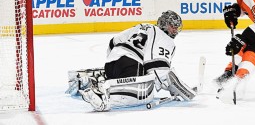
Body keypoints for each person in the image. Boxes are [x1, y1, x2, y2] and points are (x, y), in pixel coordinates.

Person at [66, 11, 197, 111]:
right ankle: (103, 99)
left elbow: (114, 41)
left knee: (130, 77)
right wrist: (179, 89)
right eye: (172, 26)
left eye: (176, 27)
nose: (174, 30)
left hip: (111, 64)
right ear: (163, 24)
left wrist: (115, 59)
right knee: (145, 94)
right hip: (131, 64)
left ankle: (92, 82)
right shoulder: (165, 39)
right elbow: (158, 68)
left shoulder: (143, 26)